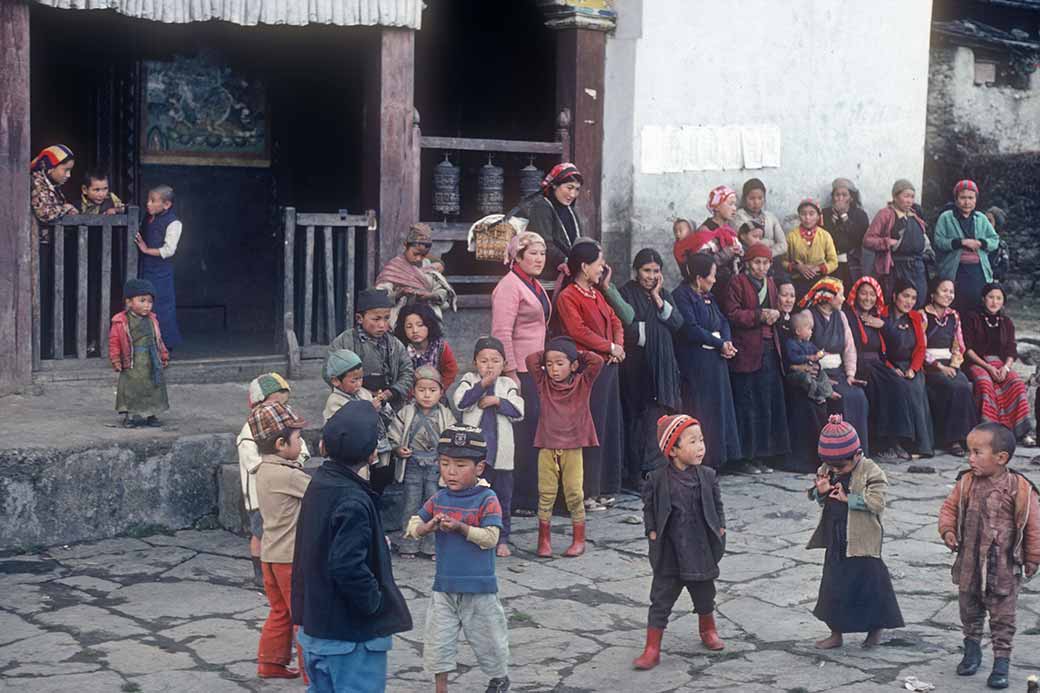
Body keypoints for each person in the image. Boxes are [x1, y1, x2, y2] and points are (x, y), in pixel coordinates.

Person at [292, 402, 413, 693]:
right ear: (373, 454)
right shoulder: (353, 500)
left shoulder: (319, 483)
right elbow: (347, 565)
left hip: (317, 628)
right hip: (351, 638)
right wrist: (373, 603)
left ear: (322, 446)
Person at [405, 425, 511, 693]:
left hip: (479, 589)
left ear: (479, 467)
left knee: (490, 641)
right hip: (444, 588)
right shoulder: (440, 498)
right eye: (445, 464)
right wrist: (426, 528)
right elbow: (413, 524)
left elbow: (490, 538)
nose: (450, 471)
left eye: (460, 465)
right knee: (438, 643)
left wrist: (461, 528)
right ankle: (441, 688)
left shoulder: (487, 499)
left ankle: (498, 678)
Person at [939, 422, 1040, 689]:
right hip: (970, 565)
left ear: (1001, 458)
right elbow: (948, 508)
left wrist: (1033, 557)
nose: (970, 458)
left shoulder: (1020, 489)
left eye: (976, 452)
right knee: (969, 612)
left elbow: (1034, 526)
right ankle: (972, 651)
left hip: (1004, 569)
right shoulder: (966, 483)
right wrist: (948, 530)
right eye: (969, 452)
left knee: (1002, 618)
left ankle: (1001, 662)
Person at [634, 414, 727, 671]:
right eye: (693, 441)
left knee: (705, 594)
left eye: (702, 440)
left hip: (700, 549)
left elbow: (717, 505)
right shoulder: (657, 479)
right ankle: (652, 648)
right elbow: (649, 508)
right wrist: (651, 531)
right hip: (671, 552)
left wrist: (721, 527)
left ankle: (708, 629)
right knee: (661, 599)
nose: (701, 447)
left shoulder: (708, 476)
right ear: (673, 450)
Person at [808, 415, 904, 650]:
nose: (835, 470)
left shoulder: (872, 471)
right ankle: (836, 632)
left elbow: (877, 502)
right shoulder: (828, 467)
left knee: (870, 586)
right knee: (833, 585)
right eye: (831, 466)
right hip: (836, 537)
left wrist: (849, 498)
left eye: (841, 466)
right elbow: (817, 497)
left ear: (857, 455)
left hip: (862, 541)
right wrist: (820, 491)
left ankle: (874, 631)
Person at [554, 240, 626, 509]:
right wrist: (609, 347)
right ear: (584, 267)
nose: (602, 268)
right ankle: (584, 492)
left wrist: (617, 348)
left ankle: (602, 487)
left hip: (607, 368)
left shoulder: (596, 294)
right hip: (588, 370)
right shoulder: (568, 296)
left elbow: (616, 320)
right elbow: (578, 331)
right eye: (599, 263)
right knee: (589, 430)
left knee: (606, 427)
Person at [525, 337, 604, 558]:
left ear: (574, 365)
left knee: (574, 492)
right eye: (549, 364)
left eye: (560, 363)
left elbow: (597, 361)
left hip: (573, 447)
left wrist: (573, 352)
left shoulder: (583, 382)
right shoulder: (543, 383)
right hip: (547, 445)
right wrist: (552, 351)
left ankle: (579, 540)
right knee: (546, 493)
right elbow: (531, 359)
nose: (554, 369)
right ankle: (544, 540)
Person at [249, 401, 310, 680]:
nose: (302, 442)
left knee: (279, 611)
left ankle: (271, 664)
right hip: (291, 558)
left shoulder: (262, 470)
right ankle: (312, 673)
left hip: (270, 554)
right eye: (298, 438)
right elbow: (321, 492)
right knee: (303, 616)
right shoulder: (288, 475)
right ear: (280, 444)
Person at [491, 231, 550, 516]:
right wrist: (511, 372)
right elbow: (502, 332)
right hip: (520, 371)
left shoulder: (533, 284)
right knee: (523, 434)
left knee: (533, 432)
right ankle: (519, 499)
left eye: (542, 254)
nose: (539, 259)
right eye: (533, 254)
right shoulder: (509, 286)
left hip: (535, 368)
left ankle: (529, 495)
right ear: (518, 256)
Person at [453, 336, 525, 557]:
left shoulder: (507, 385)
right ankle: (472, 535)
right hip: (475, 456)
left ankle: (502, 538)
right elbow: (461, 401)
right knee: (473, 495)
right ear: (475, 363)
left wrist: (498, 402)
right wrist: (481, 386)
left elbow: (519, 411)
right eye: (484, 360)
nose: (490, 365)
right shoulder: (468, 380)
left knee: (502, 497)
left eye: (495, 361)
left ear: (504, 364)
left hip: (501, 457)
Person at [237, 373, 311, 587]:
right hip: (261, 495)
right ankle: (260, 573)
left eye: (283, 403)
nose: (281, 408)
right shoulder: (248, 433)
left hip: (282, 489)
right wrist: (281, 468)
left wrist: (298, 460)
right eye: (275, 403)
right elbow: (253, 463)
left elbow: (301, 447)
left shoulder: (286, 428)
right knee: (260, 533)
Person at [721, 242, 789, 474]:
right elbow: (731, 314)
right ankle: (743, 459)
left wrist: (777, 314)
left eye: (765, 263)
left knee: (764, 403)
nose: (761, 267)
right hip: (746, 350)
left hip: (768, 348)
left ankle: (761, 455)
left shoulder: (770, 283)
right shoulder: (737, 282)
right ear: (748, 264)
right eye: (757, 263)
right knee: (746, 404)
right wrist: (760, 315)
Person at [618, 249, 684, 484]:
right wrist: (653, 331)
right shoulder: (626, 292)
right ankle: (636, 472)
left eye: (656, 271)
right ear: (636, 271)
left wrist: (657, 297)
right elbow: (627, 327)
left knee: (658, 414)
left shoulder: (663, 293)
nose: (651, 276)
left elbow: (677, 322)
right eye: (647, 271)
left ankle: (655, 467)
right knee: (638, 417)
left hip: (662, 366)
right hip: (638, 365)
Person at [673, 253, 741, 470]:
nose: (714, 280)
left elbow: (722, 321)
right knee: (703, 409)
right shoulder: (681, 296)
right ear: (698, 277)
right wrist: (719, 343)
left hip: (715, 361)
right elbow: (691, 328)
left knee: (719, 409)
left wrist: (727, 341)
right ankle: (702, 458)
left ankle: (720, 457)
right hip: (697, 363)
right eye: (711, 275)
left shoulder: (709, 296)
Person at [799, 278, 870, 460]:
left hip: (838, 372)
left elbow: (849, 347)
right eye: (840, 294)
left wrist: (850, 374)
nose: (844, 298)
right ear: (828, 296)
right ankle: (837, 455)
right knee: (842, 398)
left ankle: (856, 453)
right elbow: (803, 349)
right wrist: (818, 377)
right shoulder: (809, 315)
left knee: (858, 396)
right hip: (819, 374)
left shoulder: (842, 316)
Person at [388, 366, 456, 559]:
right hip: (413, 464)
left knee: (436, 504)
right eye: (421, 390)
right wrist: (398, 449)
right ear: (413, 391)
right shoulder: (406, 412)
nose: (427, 395)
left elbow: (451, 438)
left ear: (441, 392)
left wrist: (445, 455)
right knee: (411, 503)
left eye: (432, 390)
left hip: (436, 466)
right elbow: (394, 434)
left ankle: (433, 547)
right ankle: (409, 544)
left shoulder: (445, 414)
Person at [867, 280, 934, 461]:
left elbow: (921, 347)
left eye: (913, 298)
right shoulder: (882, 316)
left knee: (915, 390)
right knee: (900, 389)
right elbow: (880, 350)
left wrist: (913, 369)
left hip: (911, 365)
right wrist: (891, 368)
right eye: (905, 296)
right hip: (889, 365)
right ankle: (898, 443)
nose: (909, 301)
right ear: (895, 296)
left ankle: (920, 445)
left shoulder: (915, 318)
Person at [963, 283, 1036, 446]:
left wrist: (1006, 367)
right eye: (991, 297)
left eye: (998, 298)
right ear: (983, 299)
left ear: (1003, 301)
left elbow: (1011, 349)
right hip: (977, 362)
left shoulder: (1006, 322)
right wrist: (988, 368)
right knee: (985, 383)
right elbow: (967, 349)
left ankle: (1022, 432)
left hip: (1001, 364)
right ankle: (989, 433)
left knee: (1016, 383)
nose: (994, 302)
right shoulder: (971, 318)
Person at [329, 288, 415, 411]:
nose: (382, 324)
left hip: (388, 401)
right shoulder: (344, 342)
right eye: (376, 319)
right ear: (359, 318)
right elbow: (330, 372)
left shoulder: (394, 344)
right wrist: (359, 392)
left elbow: (407, 372)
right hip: (352, 401)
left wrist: (390, 393)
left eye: (386, 318)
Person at [922, 277, 978, 456]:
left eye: (951, 292)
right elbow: (919, 347)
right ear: (933, 293)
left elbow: (958, 345)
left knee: (965, 385)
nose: (948, 295)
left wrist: (954, 364)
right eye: (944, 290)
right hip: (929, 365)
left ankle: (967, 437)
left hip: (950, 364)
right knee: (954, 386)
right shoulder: (922, 315)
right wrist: (939, 366)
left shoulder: (954, 316)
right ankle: (951, 440)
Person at [933, 180, 1001, 314]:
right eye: (963, 197)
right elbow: (939, 241)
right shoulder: (946, 218)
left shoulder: (981, 218)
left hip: (978, 271)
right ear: (956, 199)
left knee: (977, 306)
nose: (967, 202)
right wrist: (961, 242)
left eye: (971, 198)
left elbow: (995, 240)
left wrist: (981, 243)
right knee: (956, 305)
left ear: (976, 200)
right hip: (956, 270)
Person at [108, 278, 168, 428]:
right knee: (132, 389)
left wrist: (164, 355)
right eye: (142, 301)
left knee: (153, 386)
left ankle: (151, 415)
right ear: (129, 302)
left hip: (151, 360)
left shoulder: (152, 319)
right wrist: (116, 360)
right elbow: (114, 342)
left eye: (149, 302)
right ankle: (130, 417)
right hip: (133, 362)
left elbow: (158, 339)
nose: (147, 305)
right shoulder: (121, 322)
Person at [863, 179, 932, 309]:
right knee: (894, 303)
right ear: (895, 196)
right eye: (906, 196)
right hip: (896, 267)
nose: (909, 200)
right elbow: (868, 240)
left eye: (912, 197)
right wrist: (886, 242)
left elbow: (923, 237)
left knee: (918, 301)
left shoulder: (914, 216)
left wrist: (927, 251)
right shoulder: (886, 214)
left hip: (917, 268)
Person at [323, 348, 393, 468]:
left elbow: (385, 416)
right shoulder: (334, 402)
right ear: (335, 381)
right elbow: (350, 425)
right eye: (353, 380)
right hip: (353, 457)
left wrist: (382, 402)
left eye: (360, 378)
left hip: (375, 449)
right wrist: (370, 409)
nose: (359, 384)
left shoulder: (363, 393)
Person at [376, 223, 457, 325]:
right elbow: (380, 298)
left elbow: (442, 291)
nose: (418, 258)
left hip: (428, 320)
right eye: (415, 254)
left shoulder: (429, 265)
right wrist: (399, 294)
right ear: (406, 245)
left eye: (423, 255)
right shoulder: (394, 267)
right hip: (401, 321)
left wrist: (431, 296)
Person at [135, 184, 183, 349]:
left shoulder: (174, 223)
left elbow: (169, 250)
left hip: (160, 271)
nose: (148, 204)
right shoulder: (149, 217)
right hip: (145, 267)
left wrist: (146, 250)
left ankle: (165, 345)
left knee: (161, 307)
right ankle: (147, 344)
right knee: (142, 304)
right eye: (148, 200)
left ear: (166, 205)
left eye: (153, 201)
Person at [518, 162, 584, 275]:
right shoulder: (542, 207)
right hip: (548, 273)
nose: (573, 194)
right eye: (569, 188)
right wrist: (567, 261)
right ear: (554, 185)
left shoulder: (570, 211)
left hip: (568, 270)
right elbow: (544, 243)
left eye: (577, 189)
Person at [673, 186, 743, 286]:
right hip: (712, 286)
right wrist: (727, 253)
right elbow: (703, 265)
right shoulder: (704, 234)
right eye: (730, 204)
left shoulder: (728, 230)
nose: (734, 208)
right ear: (717, 206)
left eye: (735, 204)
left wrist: (739, 252)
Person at [394, 303, 459, 393]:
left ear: (429, 325)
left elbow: (451, 370)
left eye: (420, 325)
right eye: (409, 327)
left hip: (435, 396)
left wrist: (439, 389)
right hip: (407, 396)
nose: (415, 331)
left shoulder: (441, 347)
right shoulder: (400, 349)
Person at [785, 198, 838, 300]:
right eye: (803, 214)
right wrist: (798, 267)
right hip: (797, 282)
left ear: (818, 216)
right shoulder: (791, 236)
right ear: (799, 216)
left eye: (811, 213)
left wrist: (818, 268)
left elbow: (834, 262)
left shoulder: (825, 236)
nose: (807, 218)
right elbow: (783, 261)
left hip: (820, 282)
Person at [820, 178, 870, 286]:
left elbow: (860, 238)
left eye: (844, 195)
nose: (840, 198)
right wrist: (833, 220)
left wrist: (844, 216)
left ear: (851, 198)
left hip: (852, 264)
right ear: (832, 197)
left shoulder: (860, 215)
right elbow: (822, 237)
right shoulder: (824, 214)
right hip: (829, 264)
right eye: (837, 195)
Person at [785, 311, 837, 405]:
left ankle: (829, 392)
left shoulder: (808, 344)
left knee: (823, 375)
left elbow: (816, 352)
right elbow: (792, 358)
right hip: (797, 373)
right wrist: (808, 357)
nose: (811, 332)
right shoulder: (791, 344)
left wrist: (821, 354)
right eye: (809, 329)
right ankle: (817, 395)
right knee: (806, 378)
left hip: (811, 369)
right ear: (798, 331)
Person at [843, 277, 887, 382]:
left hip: (878, 365)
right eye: (863, 293)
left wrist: (884, 326)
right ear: (856, 295)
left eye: (872, 294)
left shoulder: (878, 318)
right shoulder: (847, 317)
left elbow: (892, 347)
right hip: (859, 366)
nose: (868, 298)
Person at [733, 178, 787, 257]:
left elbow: (783, 245)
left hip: (771, 259)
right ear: (744, 198)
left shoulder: (770, 217)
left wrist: (768, 254)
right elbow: (749, 243)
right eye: (751, 198)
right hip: (749, 261)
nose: (756, 202)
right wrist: (771, 242)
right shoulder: (738, 217)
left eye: (760, 198)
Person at [30, 144, 77, 229]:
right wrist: (66, 208)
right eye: (66, 170)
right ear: (50, 168)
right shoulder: (36, 183)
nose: (69, 175)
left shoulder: (53, 186)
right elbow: (46, 214)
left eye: (70, 170)